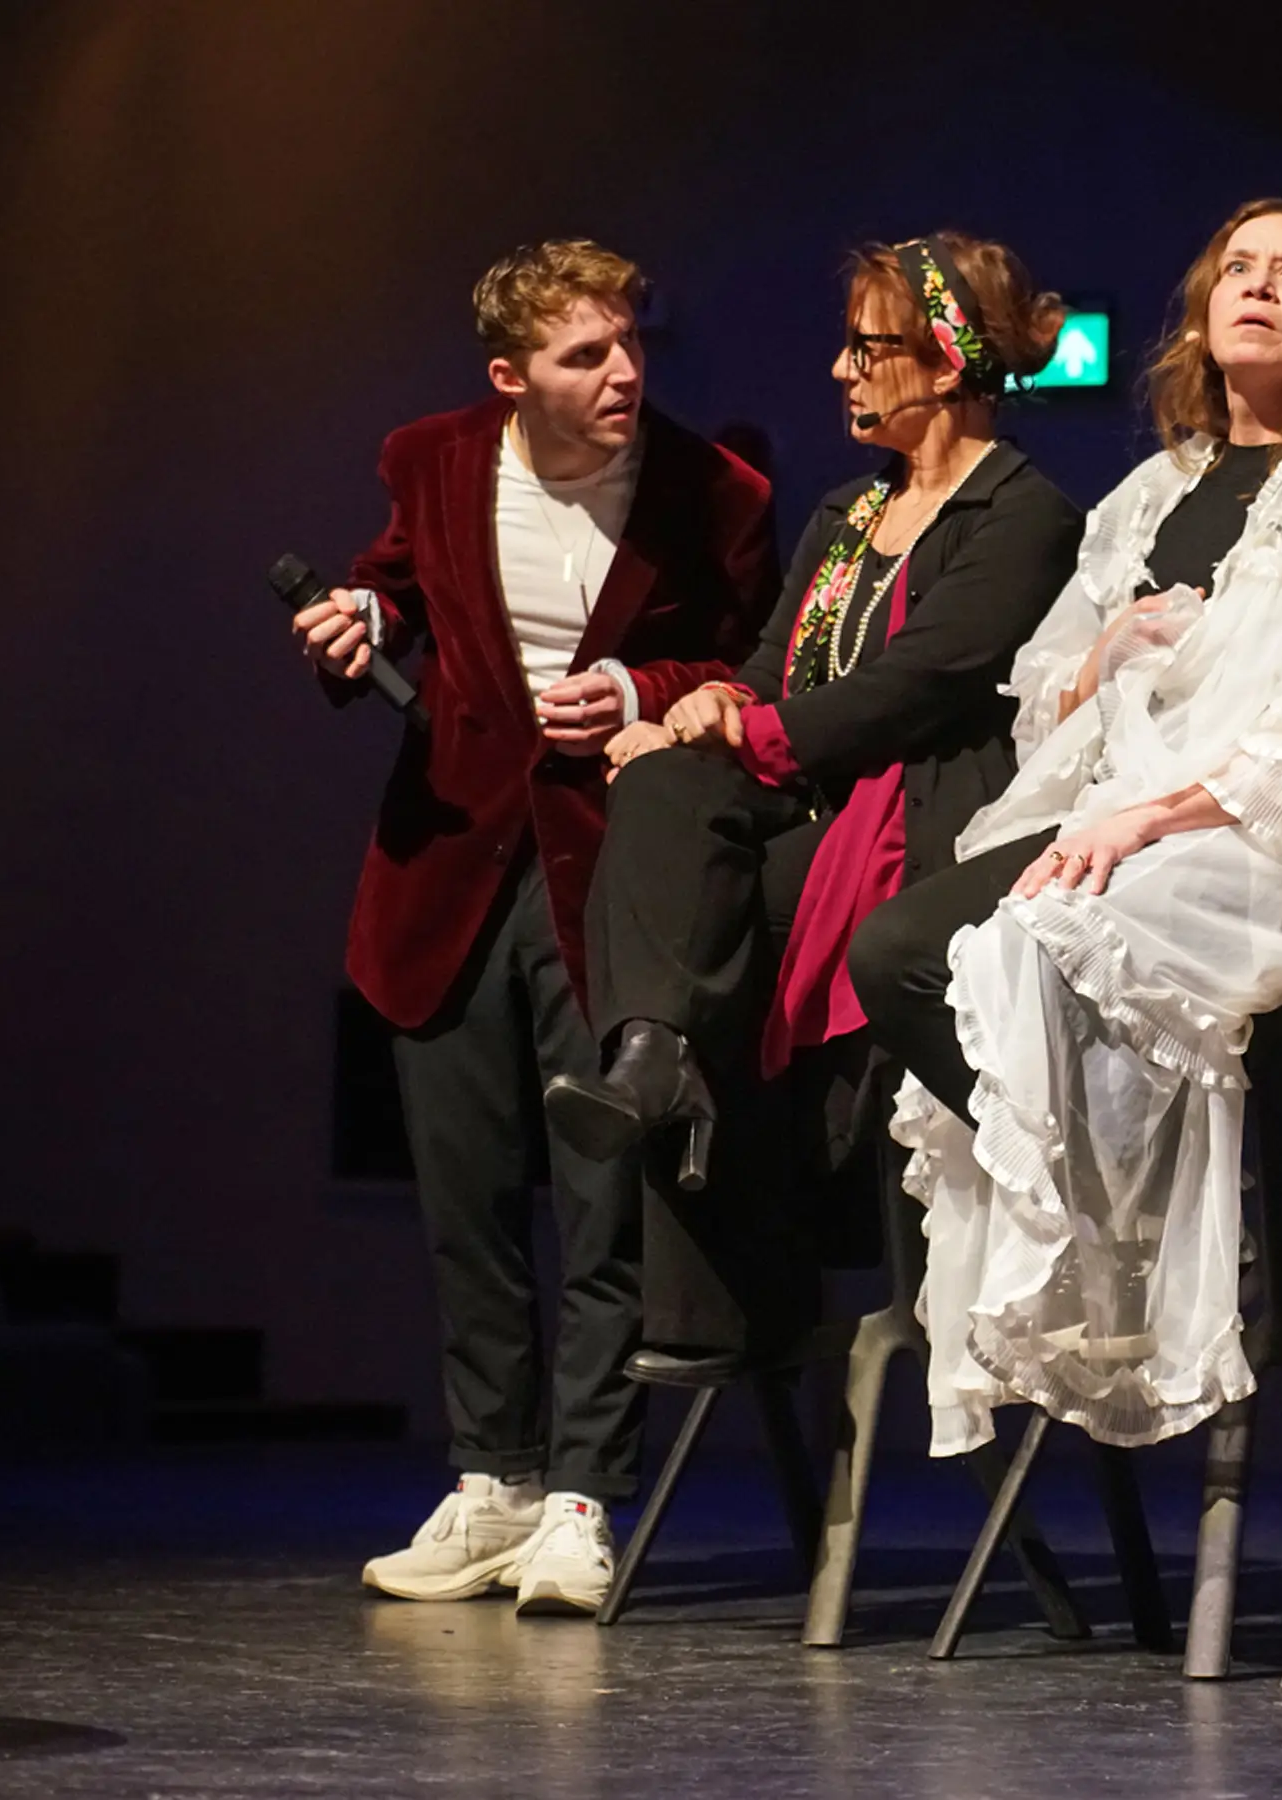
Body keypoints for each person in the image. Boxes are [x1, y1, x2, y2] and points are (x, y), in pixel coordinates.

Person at [847, 198, 1282, 1455]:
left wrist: (1160, 814)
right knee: (901, 950)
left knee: (1037, 945)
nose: (1259, 287)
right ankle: (1109, 1220)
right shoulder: (1155, 490)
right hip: (1115, 810)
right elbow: (1045, 685)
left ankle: (1136, 1234)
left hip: (1272, 829)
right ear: (1200, 308)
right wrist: (1107, 660)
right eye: (1238, 267)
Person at [291, 240, 776, 1613]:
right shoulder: (435, 461)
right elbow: (399, 584)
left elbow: (754, 659)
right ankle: (492, 1480)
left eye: (630, 343)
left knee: (602, 1198)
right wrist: (360, 617)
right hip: (448, 862)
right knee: (467, 1198)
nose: (624, 373)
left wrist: (635, 688)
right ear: (511, 378)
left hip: (610, 871)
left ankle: (580, 1498)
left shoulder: (713, 490)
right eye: (584, 355)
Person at [540, 234, 1080, 1376]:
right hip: (808, 801)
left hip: (919, 816)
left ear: (946, 362)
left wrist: (750, 730)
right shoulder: (849, 510)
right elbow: (775, 663)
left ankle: (720, 1288)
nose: (841, 369)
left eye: (866, 348)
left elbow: (924, 683)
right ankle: (650, 1056)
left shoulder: (1020, 511)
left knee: (714, 920)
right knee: (659, 795)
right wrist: (707, 709)